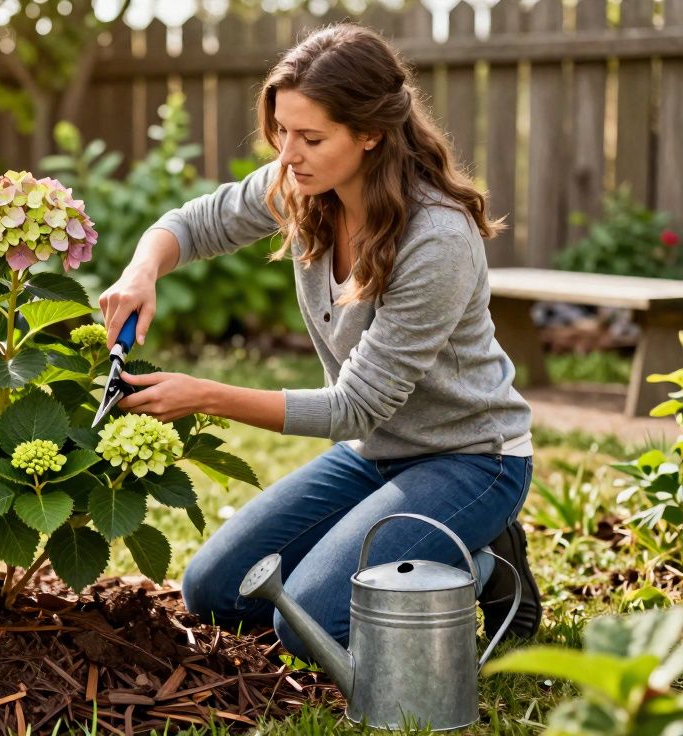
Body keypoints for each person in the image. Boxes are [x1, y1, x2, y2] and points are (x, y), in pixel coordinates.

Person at [97, 22, 541, 661]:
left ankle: (485, 564)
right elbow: (192, 224)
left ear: (370, 133)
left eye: (310, 138)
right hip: (374, 453)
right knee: (215, 591)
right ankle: (404, 543)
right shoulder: (302, 188)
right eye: (281, 131)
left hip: (469, 457)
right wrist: (142, 271)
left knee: (309, 623)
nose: (287, 154)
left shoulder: (436, 239)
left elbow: (353, 406)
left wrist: (203, 396)